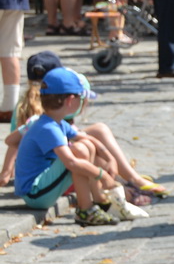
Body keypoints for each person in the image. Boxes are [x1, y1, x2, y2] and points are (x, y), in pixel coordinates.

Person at [13, 68, 134, 227]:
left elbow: (87, 138)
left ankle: (98, 201)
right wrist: (103, 175)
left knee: (85, 146)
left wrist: (109, 158)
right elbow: (71, 163)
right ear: (70, 100)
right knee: (79, 151)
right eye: (80, 97)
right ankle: (86, 209)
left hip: (41, 189)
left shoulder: (55, 122)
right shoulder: (48, 128)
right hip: (35, 194)